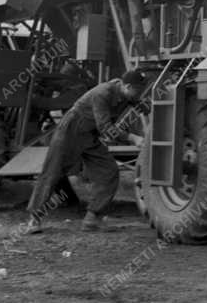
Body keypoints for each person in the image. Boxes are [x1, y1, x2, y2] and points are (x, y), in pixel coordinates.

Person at [26, 69, 147, 233]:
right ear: (127, 86)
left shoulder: (127, 94)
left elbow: (142, 105)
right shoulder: (103, 93)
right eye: (138, 91)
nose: (139, 94)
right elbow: (105, 129)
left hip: (90, 136)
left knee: (109, 171)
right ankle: (34, 219)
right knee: (52, 172)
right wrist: (133, 138)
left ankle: (92, 219)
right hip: (71, 131)